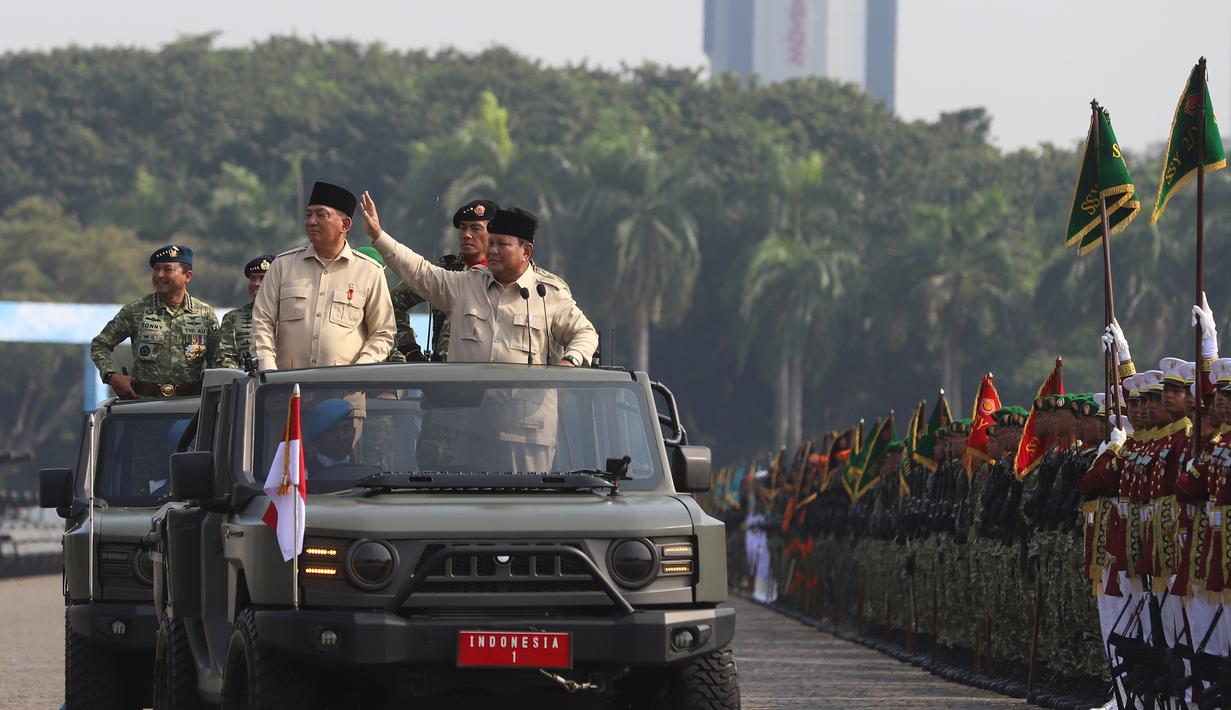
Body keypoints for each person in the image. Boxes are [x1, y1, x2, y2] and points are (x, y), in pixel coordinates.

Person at [360, 193, 597, 366]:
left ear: (526, 251)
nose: (492, 250)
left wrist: (570, 361)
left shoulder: (549, 294)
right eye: (491, 243)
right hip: (465, 421)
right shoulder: (465, 284)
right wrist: (379, 236)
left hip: (524, 426)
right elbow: (419, 271)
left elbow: (586, 334)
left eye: (502, 244)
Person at [250, 181, 395, 371]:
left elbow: (383, 332)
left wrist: (360, 370)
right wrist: (268, 369)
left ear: (345, 224)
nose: (311, 221)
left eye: (321, 214)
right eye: (309, 214)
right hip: (288, 389)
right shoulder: (282, 266)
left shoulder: (369, 272)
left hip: (345, 391)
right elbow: (262, 321)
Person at [91, 245, 220, 399]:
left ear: (188, 276)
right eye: (156, 269)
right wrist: (111, 376)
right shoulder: (136, 310)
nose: (159, 275)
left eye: (167, 269)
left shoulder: (205, 314)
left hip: (191, 407)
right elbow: (100, 345)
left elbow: (217, 362)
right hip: (145, 405)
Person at [217, 254, 273, 369]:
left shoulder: (288, 316)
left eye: (263, 278)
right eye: (253, 278)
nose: (256, 284)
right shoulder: (233, 318)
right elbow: (224, 358)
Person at [303, 399, 358, 478]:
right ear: (317, 437)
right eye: (332, 431)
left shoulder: (365, 474)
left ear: (354, 432)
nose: (341, 437)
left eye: (346, 429)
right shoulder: (302, 476)